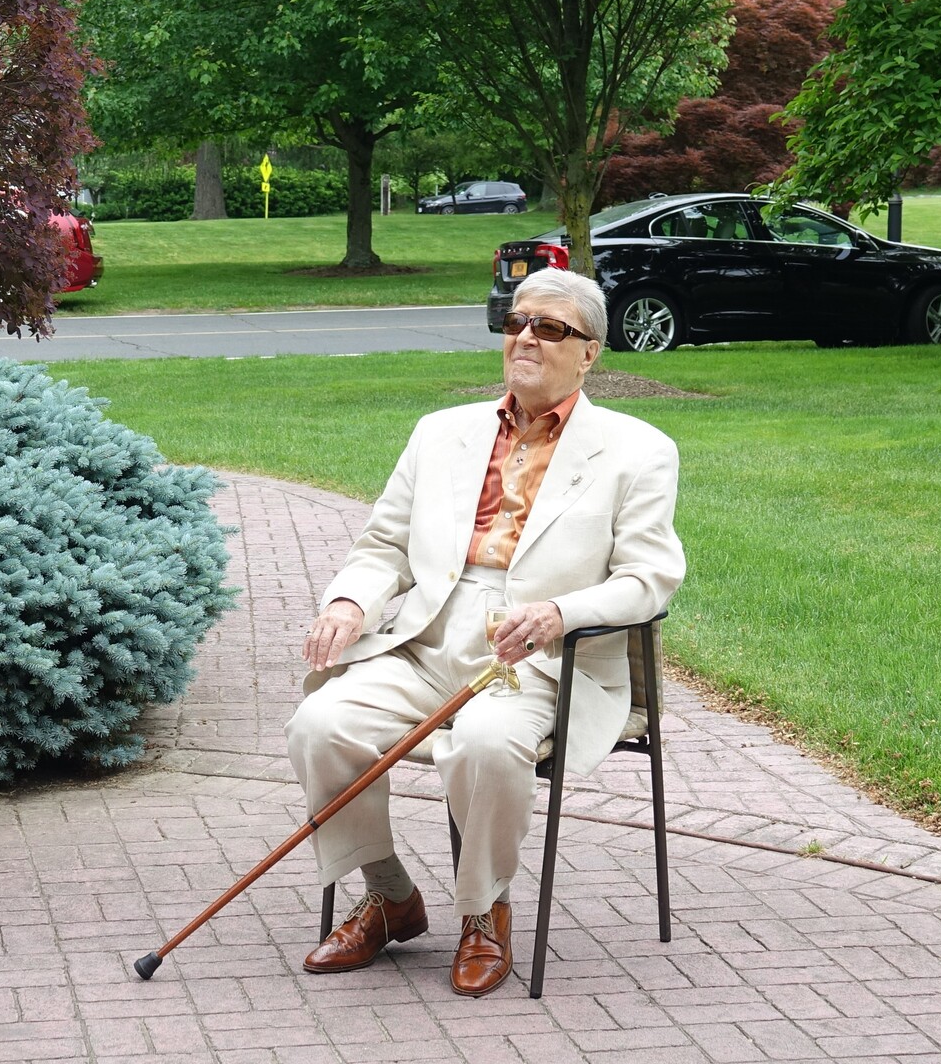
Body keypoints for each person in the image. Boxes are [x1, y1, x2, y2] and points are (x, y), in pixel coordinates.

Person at [287, 268, 684, 996]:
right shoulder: (441, 432)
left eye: (551, 327)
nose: (527, 336)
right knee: (320, 721)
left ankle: (484, 911)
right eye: (518, 321)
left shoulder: (639, 450)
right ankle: (388, 895)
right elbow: (382, 547)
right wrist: (348, 602)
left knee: (484, 740)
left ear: (590, 352)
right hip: (429, 634)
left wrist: (563, 612)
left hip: (543, 656)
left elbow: (649, 577)